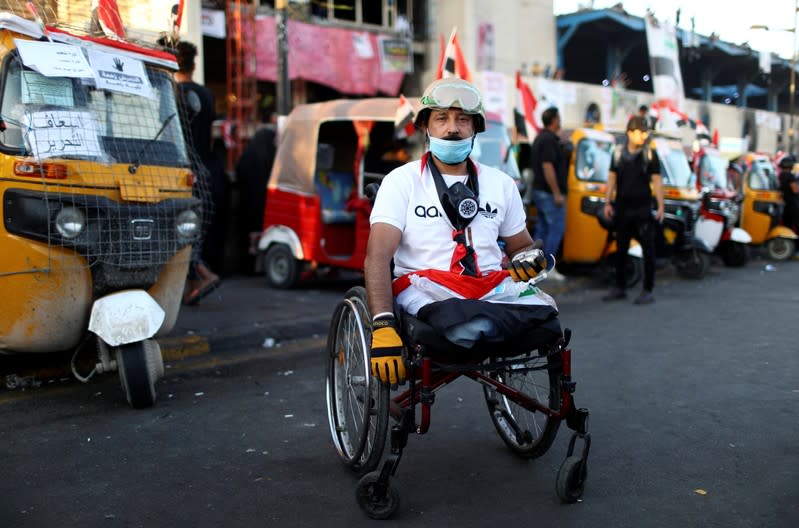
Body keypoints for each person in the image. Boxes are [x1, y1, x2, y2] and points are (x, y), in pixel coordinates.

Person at [364, 78, 561, 385]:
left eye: (463, 120)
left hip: (490, 288)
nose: (452, 128)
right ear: (426, 127)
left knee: (547, 319)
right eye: (441, 118)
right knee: (459, 323)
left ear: (475, 128)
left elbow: (521, 246)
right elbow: (377, 258)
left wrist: (529, 258)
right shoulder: (400, 182)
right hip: (428, 290)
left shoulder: (501, 184)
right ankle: (479, 325)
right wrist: (383, 323)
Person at [172, 40, 224, 305]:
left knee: (182, 229)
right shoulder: (207, 94)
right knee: (196, 229)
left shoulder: (173, 92)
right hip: (206, 167)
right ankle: (190, 290)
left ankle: (204, 274)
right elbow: (212, 138)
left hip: (183, 168)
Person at [602, 116, 664, 305]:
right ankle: (620, 287)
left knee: (648, 250)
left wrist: (661, 205)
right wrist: (607, 202)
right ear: (630, 132)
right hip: (622, 209)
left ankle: (648, 289)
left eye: (646, 132)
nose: (644, 135)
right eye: (641, 131)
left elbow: (656, 180)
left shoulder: (650, 154)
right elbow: (612, 178)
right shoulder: (619, 152)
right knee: (621, 249)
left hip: (643, 210)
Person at [530, 106, 567, 281]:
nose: (560, 120)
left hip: (541, 191)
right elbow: (548, 166)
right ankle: (549, 268)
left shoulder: (541, 138)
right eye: (559, 118)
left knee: (542, 229)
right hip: (549, 193)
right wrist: (557, 193)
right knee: (554, 229)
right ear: (554, 120)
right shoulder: (548, 140)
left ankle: (533, 267)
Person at [777, 155, 799, 233]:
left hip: (786, 204)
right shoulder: (790, 176)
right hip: (793, 204)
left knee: (787, 225)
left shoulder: (781, 175)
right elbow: (795, 190)